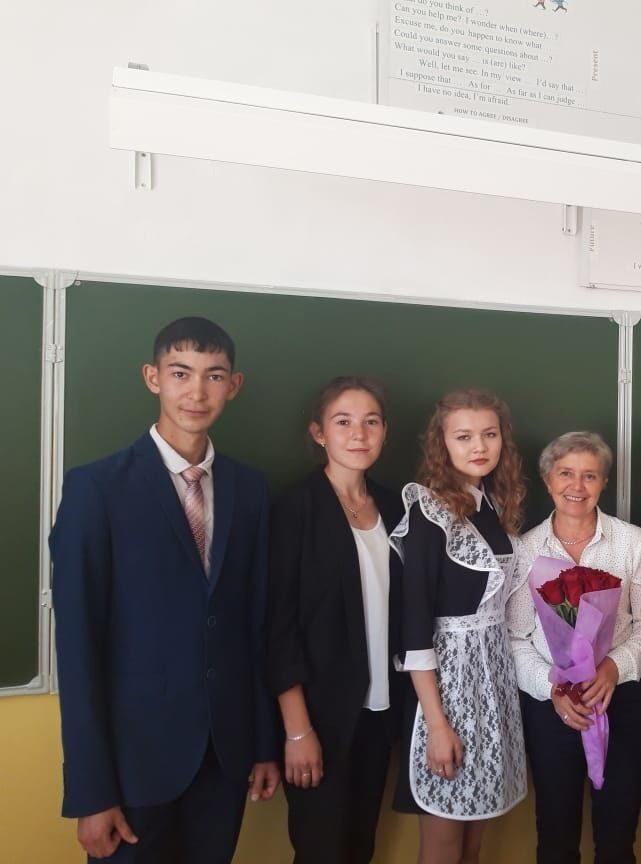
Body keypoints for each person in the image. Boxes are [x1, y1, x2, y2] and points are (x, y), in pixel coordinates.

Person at [50, 317, 279, 862]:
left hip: (225, 760)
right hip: (132, 767)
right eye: (180, 373)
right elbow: (77, 647)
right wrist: (91, 791)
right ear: (152, 377)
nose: (196, 392)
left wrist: (265, 743)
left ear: (233, 385)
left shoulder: (250, 490)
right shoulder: (96, 488)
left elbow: (256, 624)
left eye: (213, 375)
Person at [266, 376, 404, 863]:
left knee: (359, 846)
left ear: (384, 431)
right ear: (319, 433)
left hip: (380, 712)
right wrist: (297, 730)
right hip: (319, 716)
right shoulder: (294, 509)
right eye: (343, 422)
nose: (359, 434)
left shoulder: (396, 506)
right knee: (320, 849)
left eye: (371, 422)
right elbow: (278, 627)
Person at [508, 431, 641, 864]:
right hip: (552, 708)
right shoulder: (525, 549)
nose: (577, 486)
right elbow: (516, 637)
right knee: (556, 834)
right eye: (565, 474)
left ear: (604, 483)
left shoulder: (631, 541)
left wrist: (613, 668)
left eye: (590, 476)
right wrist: (553, 688)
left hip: (620, 700)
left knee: (618, 834)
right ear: (547, 479)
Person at [390, 389, 528, 864]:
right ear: (442, 444)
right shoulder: (428, 510)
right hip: (446, 687)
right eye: (464, 436)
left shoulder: (493, 506)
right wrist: (436, 724)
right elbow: (414, 628)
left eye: (489, 434)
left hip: (494, 682)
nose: (479, 446)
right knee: (445, 840)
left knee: (473, 840)